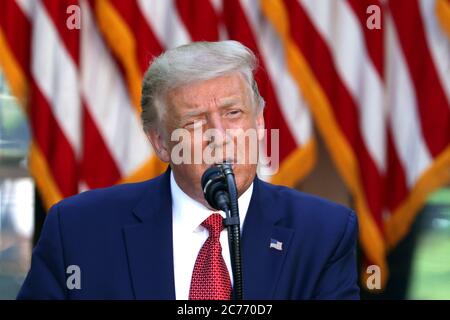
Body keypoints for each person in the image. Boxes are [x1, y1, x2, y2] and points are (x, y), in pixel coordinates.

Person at [18, 41, 359, 300]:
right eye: (194, 122)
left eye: (233, 113)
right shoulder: (79, 229)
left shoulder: (324, 233)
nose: (219, 136)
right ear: (161, 143)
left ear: (259, 122)